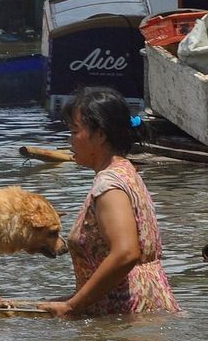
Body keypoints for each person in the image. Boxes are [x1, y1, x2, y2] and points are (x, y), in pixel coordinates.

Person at [38, 87, 179, 317]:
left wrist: (72, 306)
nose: (69, 140)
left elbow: (125, 253)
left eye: (75, 131)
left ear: (101, 134)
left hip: (127, 314)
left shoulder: (109, 186)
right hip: (146, 306)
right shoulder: (127, 172)